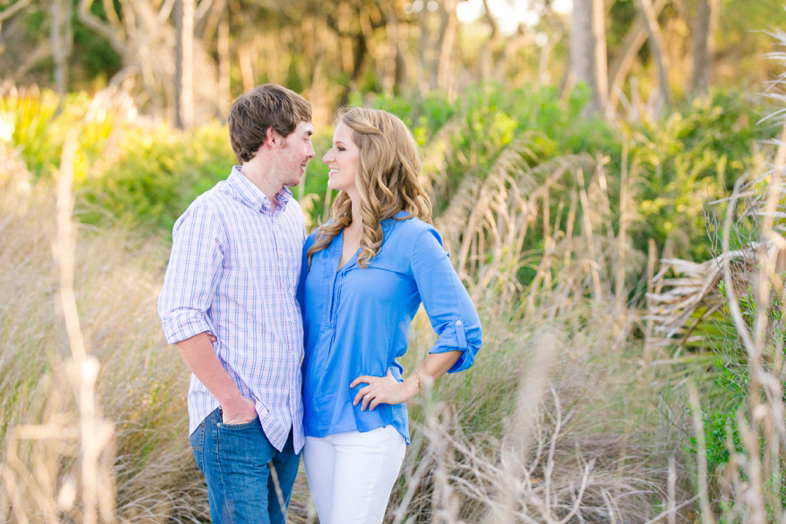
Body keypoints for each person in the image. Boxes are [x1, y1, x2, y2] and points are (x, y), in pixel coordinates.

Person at [299, 107, 482, 524]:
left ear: (374, 157)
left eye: (340, 148)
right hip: (314, 426)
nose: (326, 157)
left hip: (368, 427)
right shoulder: (318, 242)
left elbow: (461, 330)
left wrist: (408, 386)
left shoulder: (414, 238)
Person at [158, 83, 315, 523]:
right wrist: (232, 403)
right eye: (305, 136)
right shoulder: (211, 213)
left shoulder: (292, 215)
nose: (311, 151)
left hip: (285, 425)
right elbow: (180, 315)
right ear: (273, 137)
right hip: (236, 425)